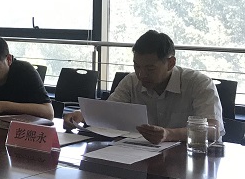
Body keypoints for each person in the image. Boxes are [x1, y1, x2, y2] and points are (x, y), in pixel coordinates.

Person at [64, 30, 223, 143]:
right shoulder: (131, 81)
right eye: (137, 66)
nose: (141, 74)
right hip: (143, 156)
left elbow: (213, 129)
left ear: (170, 63)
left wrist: (169, 134)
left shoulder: (198, 83)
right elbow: (108, 112)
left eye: (150, 69)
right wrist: (82, 115)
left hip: (191, 158)